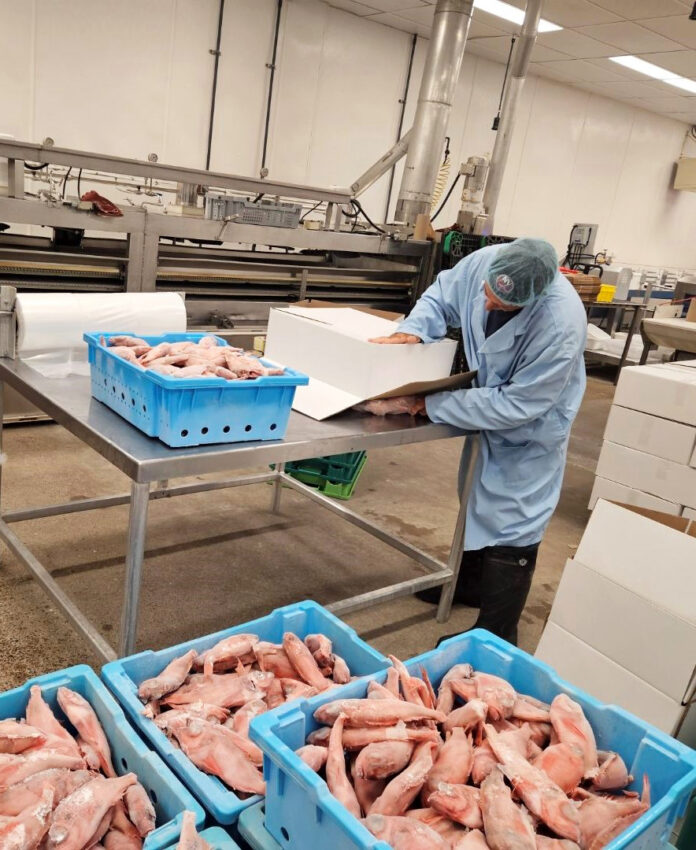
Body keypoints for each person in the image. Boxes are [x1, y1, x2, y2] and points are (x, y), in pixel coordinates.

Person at [370, 237, 587, 646]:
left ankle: (499, 629)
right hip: (489, 405)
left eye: (501, 305)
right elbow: (441, 296)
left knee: (517, 516)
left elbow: (519, 404)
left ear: (534, 298)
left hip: (533, 425)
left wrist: (432, 404)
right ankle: (469, 585)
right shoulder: (485, 261)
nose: (486, 306)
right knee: (474, 493)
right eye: (487, 293)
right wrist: (414, 331)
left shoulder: (560, 325)